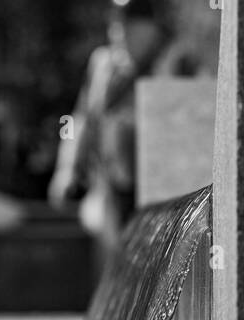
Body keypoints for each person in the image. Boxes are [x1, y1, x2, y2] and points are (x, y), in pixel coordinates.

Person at [49, 0, 201, 258]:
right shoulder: (102, 66)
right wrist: (67, 168)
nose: (120, 32)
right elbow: (79, 119)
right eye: (116, 22)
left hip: (163, 195)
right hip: (112, 190)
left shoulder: (179, 61)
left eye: (130, 23)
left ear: (152, 26)